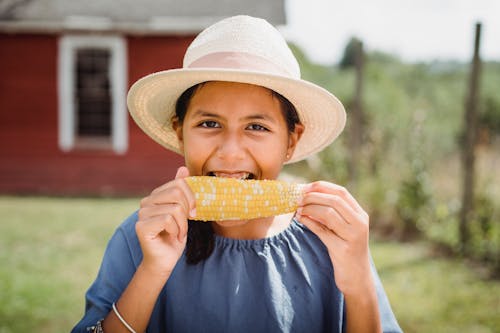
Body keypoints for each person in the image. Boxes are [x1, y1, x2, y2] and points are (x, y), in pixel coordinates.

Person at [72, 15, 402, 333]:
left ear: (292, 140)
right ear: (180, 132)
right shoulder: (142, 236)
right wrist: (152, 270)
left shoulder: (333, 241)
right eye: (209, 124)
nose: (230, 152)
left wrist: (359, 285)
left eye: (256, 127)